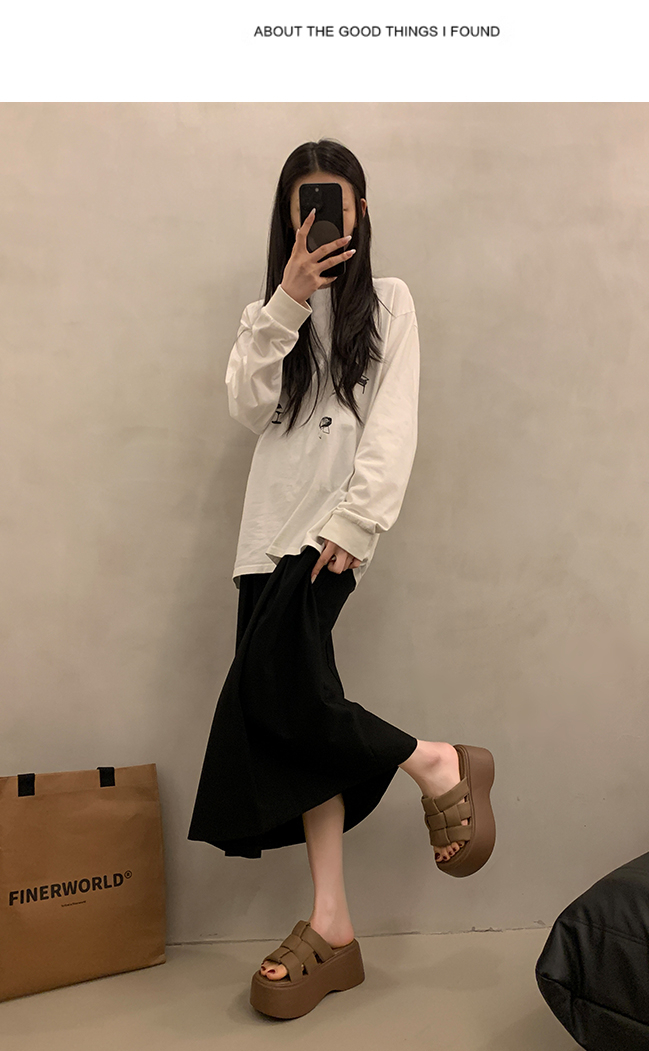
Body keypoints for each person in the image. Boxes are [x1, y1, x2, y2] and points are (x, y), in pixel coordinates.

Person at [188, 139, 496, 1019]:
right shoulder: (270, 312)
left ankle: (436, 762)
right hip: (264, 538)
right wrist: (287, 299)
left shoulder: (389, 302)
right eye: (305, 201)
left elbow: (394, 422)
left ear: (360, 210)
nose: (321, 213)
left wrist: (359, 522)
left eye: (337, 199)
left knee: (282, 698)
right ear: (289, 216)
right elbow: (248, 406)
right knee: (297, 715)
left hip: (327, 536)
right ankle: (334, 922)